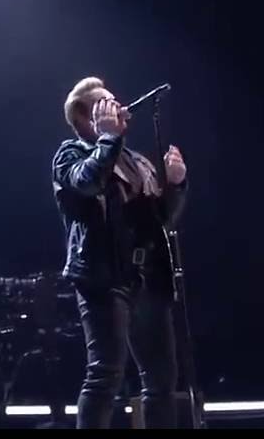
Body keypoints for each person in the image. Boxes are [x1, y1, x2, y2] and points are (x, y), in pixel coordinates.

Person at [51, 77, 189, 429]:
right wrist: (108, 138)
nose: (119, 107)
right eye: (106, 103)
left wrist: (176, 185)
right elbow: (88, 183)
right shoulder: (71, 154)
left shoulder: (135, 160)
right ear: (85, 117)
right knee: (105, 375)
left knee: (161, 380)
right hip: (103, 277)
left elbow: (161, 218)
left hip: (147, 278)